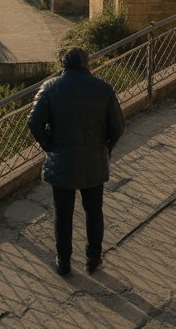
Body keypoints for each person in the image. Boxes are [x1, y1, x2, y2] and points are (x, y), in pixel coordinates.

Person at [27, 47, 124, 276]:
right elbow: (118, 126)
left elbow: (33, 122)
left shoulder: (50, 88)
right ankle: (93, 258)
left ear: (63, 65)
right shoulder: (103, 88)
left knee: (63, 214)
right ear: (86, 64)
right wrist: (105, 148)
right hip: (93, 160)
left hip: (62, 161)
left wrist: (49, 145)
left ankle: (63, 262)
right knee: (93, 211)